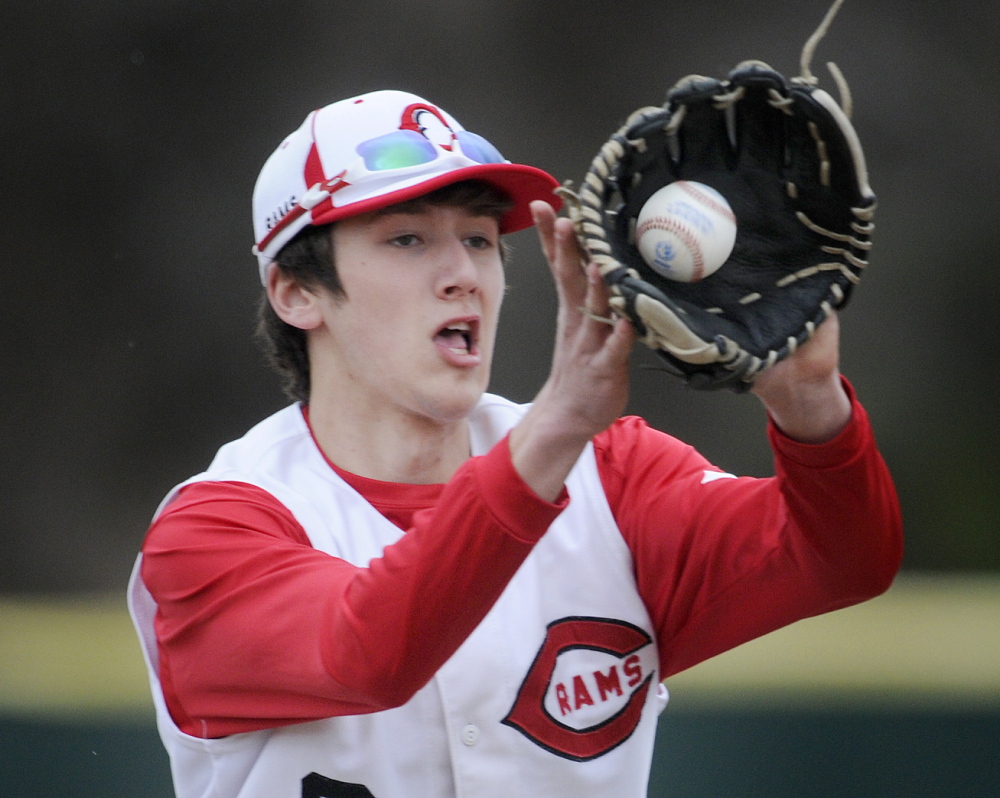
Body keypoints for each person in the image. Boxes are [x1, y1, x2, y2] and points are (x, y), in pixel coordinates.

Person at [128, 89, 902, 798]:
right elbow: (370, 652)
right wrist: (555, 428)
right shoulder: (216, 531)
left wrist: (809, 407)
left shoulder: (614, 476)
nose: (463, 271)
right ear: (297, 292)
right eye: (406, 239)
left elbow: (843, 558)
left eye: (480, 239)